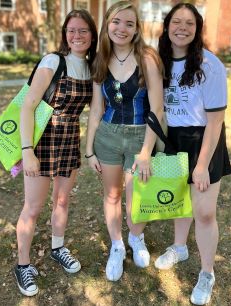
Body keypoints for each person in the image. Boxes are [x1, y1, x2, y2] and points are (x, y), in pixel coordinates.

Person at [14, 10, 97, 296]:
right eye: (71, 30)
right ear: (64, 33)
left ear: (92, 34)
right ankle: (23, 265)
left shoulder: (91, 66)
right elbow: (28, 105)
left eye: (83, 30)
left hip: (70, 139)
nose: (77, 36)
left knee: (62, 200)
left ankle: (57, 247)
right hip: (42, 140)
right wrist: (27, 151)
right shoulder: (53, 61)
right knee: (33, 207)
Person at [155, 3, 231, 305]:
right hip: (172, 138)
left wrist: (201, 165)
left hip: (204, 139)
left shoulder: (210, 65)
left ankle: (207, 272)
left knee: (204, 211)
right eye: (177, 21)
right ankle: (180, 247)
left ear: (198, 29)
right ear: (167, 25)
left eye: (189, 23)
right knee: (179, 201)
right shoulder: (159, 61)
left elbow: (216, 121)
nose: (182, 28)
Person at [86, 1, 163, 282]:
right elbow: (96, 109)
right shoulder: (100, 59)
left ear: (136, 29)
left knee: (136, 197)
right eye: (116, 22)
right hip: (107, 136)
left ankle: (136, 237)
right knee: (112, 195)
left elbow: (157, 109)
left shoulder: (148, 58)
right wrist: (89, 149)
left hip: (139, 137)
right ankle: (117, 245)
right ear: (107, 25)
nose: (122, 28)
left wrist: (145, 152)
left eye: (129, 24)